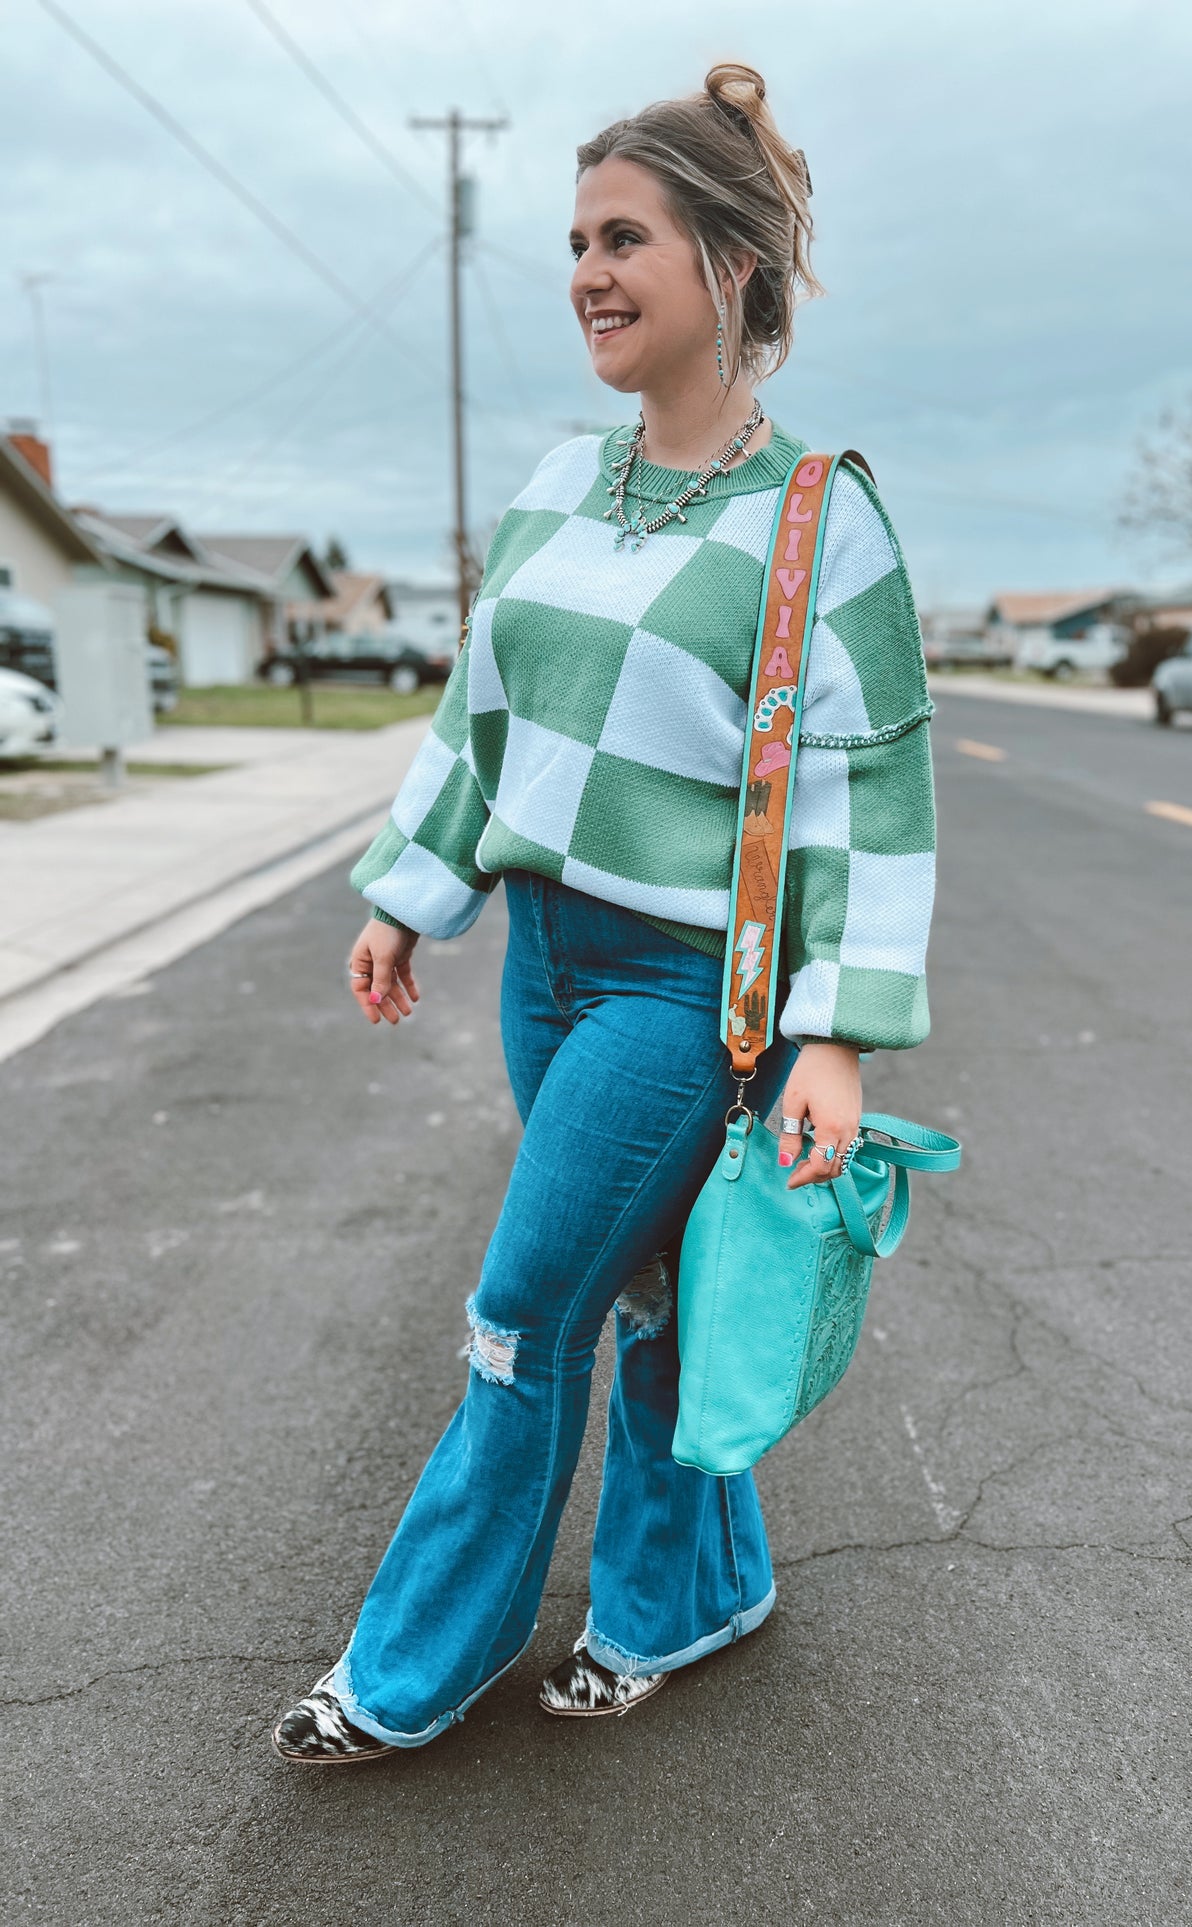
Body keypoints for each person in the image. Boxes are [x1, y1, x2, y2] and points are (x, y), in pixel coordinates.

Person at [272, 60, 936, 1765]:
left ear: (728, 262)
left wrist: (838, 1040)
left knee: (522, 1314)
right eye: (572, 239)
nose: (586, 269)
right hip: (544, 963)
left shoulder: (818, 520)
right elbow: (479, 713)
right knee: (643, 1290)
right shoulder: (559, 488)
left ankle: (408, 1668)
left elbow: (872, 794)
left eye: (623, 235)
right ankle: (685, 1592)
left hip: (681, 991)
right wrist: (410, 893)